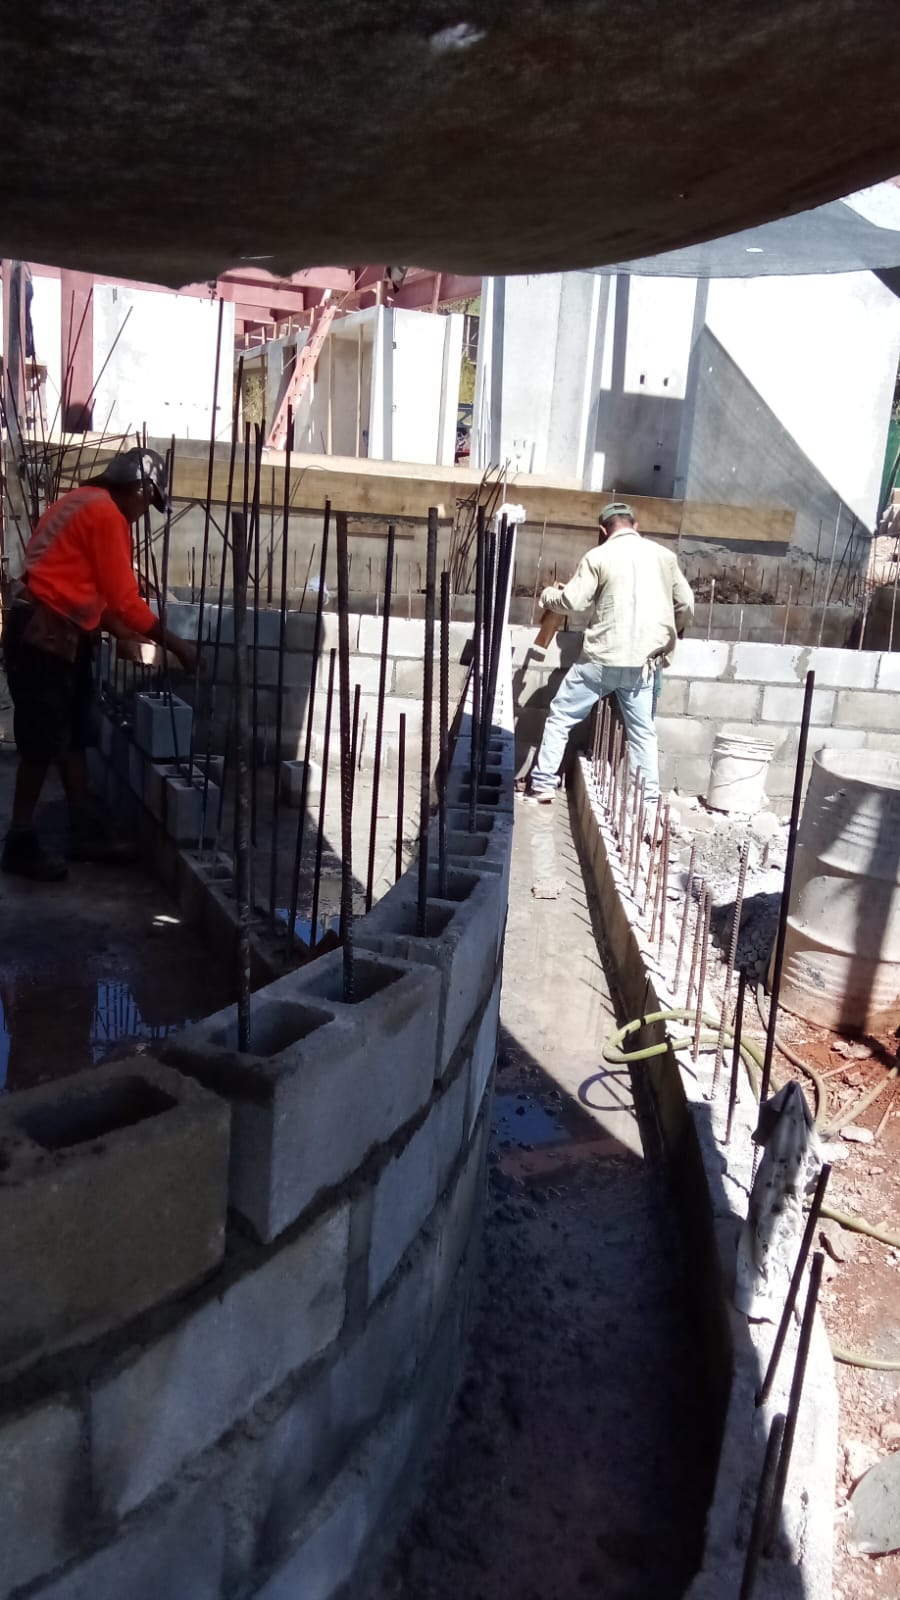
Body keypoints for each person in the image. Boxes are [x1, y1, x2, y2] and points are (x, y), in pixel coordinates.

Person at [1, 447, 197, 881]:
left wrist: (120, 629)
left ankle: (82, 829)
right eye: (149, 502)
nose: (144, 513)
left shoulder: (80, 500)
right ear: (139, 488)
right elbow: (125, 600)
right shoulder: (106, 514)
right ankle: (20, 840)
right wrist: (176, 643)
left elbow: (86, 587)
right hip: (43, 633)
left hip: (54, 630)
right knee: (40, 740)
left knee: (73, 733)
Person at [523, 501, 694, 805]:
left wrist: (548, 596)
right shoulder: (664, 557)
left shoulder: (598, 556)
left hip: (601, 660)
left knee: (562, 716)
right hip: (644, 663)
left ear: (602, 530)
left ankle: (544, 784)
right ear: (635, 526)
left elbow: (573, 602)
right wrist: (670, 632)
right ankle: (647, 801)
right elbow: (686, 605)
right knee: (642, 732)